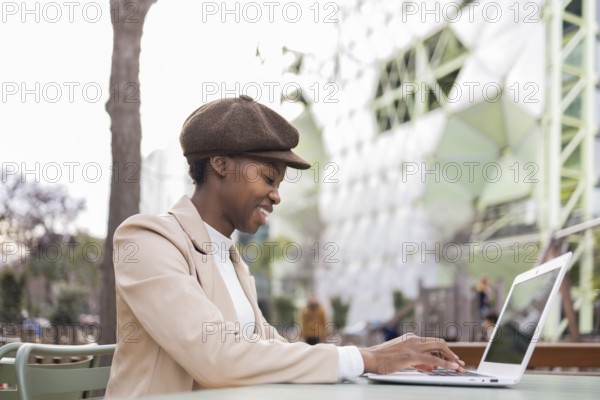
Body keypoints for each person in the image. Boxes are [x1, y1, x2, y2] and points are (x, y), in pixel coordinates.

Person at [105, 95, 464, 397]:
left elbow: (270, 348)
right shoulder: (147, 239)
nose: (276, 195)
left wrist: (372, 353)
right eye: (268, 177)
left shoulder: (231, 260)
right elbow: (215, 356)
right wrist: (365, 359)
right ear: (220, 165)